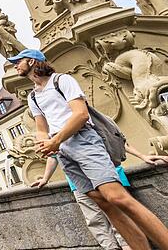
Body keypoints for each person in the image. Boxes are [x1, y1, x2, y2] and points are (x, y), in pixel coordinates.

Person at [9, 48, 168, 250]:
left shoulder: (61, 81)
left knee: (117, 197)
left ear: (31, 62)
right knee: (105, 204)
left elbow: (81, 114)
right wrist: (44, 144)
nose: (15, 65)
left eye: (18, 61)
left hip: (83, 140)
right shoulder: (33, 97)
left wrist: (55, 140)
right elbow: (42, 128)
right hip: (64, 152)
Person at [32, 143, 168, 250]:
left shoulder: (84, 119)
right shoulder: (53, 129)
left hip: (107, 178)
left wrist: (142, 156)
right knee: (97, 222)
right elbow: (53, 156)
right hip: (79, 184)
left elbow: (119, 140)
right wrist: (45, 178)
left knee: (120, 219)